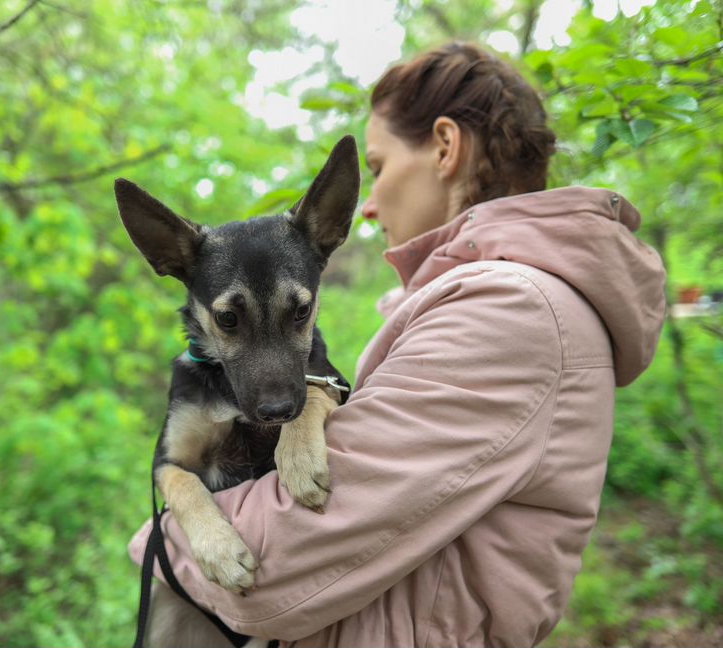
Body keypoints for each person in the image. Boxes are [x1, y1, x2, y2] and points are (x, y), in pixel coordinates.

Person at [129, 42, 667, 647]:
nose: (371, 205)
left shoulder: (510, 311)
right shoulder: (472, 303)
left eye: (379, 168)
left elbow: (286, 564)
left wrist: (154, 544)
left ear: (445, 146)